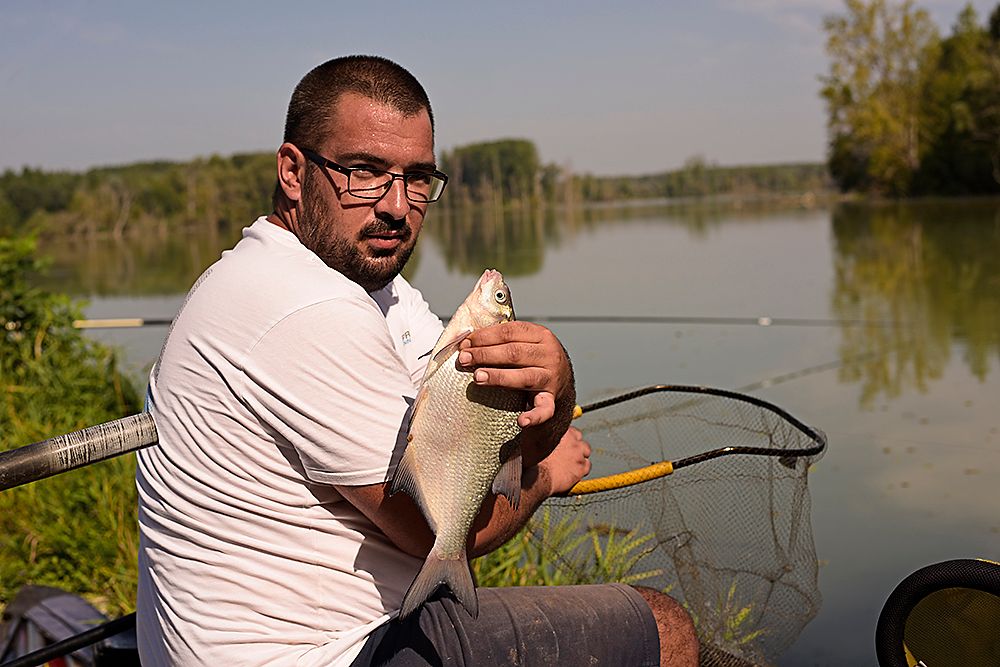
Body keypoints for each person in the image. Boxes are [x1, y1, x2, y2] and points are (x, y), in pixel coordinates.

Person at [135, 55, 698, 666]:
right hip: (321, 654)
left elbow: (470, 416)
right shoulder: (301, 305)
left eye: (418, 178)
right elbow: (439, 532)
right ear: (293, 172)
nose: (398, 206)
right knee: (664, 628)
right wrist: (542, 477)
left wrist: (550, 391)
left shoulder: (369, 285)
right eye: (364, 173)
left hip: (345, 631)